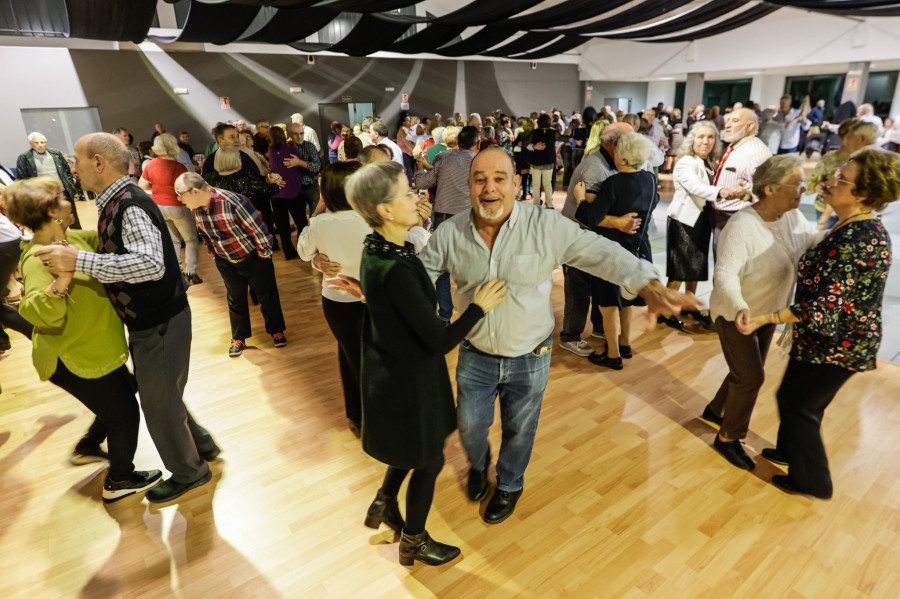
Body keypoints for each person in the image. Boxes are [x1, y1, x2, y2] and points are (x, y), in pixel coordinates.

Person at [339, 147, 697, 524]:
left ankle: (509, 484)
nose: (489, 188)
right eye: (480, 179)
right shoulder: (449, 233)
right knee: (470, 427)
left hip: (531, 355)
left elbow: (600, 252)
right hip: (475, 355)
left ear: (515, 184)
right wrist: (372, 289)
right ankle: (478, 467)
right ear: (468, 185)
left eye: (499, 179)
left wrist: (649, 285)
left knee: (520, 430)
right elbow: (416, 280)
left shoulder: (545, 226)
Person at [34, 133, 219, 504]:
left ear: (99, 163)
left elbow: (149, 265)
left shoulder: (128, 203)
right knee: (161, 392)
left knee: (158, 402)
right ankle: (203, 446)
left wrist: (78, 261)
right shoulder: (118, 200)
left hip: (160, 320)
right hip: (154, 319)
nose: (73, 167)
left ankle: (190, 472)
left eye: (78, 159)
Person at [342, 160, 507, 566]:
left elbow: (396, 300)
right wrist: (478, 308)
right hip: (409, 380)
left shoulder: (377, 248)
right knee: (430, 459)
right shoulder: (395, 266)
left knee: (410, 451)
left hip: (393, 371)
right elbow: (438, 340)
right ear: (384, 210)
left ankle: (384, 502)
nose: (418, 197)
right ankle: (413, 541)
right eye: (407, 193)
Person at [739, 149, 899, 498]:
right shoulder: (851, 224)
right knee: (796, 398)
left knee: (800, 405)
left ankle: (812, 481)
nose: (830, 182)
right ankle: (788, 451)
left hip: (841, 341)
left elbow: (821, 308)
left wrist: (765, 318)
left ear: (864, 194)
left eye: (842, 180)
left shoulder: (858, 239)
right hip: (825, 337)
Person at [5, 177, 164, 501]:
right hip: (71, 358)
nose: (69, 201)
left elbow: (118, 252)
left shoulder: (75, 237)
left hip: (94, 348)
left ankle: (89, 445)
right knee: (126, 415)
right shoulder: (39, 258)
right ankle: (120, 479)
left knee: (123, 395)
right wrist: (62, 279)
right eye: (62, 198)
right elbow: (37, 313)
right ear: (50, 213)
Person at [703, 155, 822, 470]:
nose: (803, 188)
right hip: (736, 314)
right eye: (796, 183)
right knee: (751, 377)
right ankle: (728, 437)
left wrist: (841, 232)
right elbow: (725, 274)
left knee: (743, 372)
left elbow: (810, 242)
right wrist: (740, 306)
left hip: (769, 314)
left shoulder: (792, 217)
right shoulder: (742, 226)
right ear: (769, 189)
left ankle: (715, 411)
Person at [574, 132, 663, 369]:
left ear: (622, 159)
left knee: (608, 302)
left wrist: (581, 198)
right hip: (639, 245)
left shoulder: (612, 184)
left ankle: (612, 354)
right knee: (628, 298)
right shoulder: (650, 180)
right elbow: (654, 203)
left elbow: (590, 218)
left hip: (611, 250)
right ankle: (625, 343)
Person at [175, 171, 286, 356]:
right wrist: (215, 255)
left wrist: (262, 255)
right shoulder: (196, 209)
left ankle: (276, 331)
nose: (179, 200)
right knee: (235, 299)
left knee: (267, 296)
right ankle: (239, 338)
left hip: (253, 258)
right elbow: (206, 235)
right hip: (226, 261)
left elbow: (259, 230)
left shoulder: (233, 202)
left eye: (180, 194)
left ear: (194, 191)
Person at [297, 162, 367, 435]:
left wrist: (318, 208)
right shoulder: (376, 218)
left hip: (336, 300)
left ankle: (357, 417)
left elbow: (304, 251)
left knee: (349, 354)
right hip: (371, 297)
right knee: (367, 358)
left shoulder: (320, 223)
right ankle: (373, 417)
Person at [558, 122, 633, 356]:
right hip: (577, 236)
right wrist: (619, 223)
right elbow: (589, 215)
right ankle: (570, 336)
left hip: (593, 238)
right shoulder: (595, 168)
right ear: (614, 144)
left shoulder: (613, 164)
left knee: (600, 282)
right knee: (578, 287)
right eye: (630, 141)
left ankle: (600, 327)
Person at [665, 121, 732, 330]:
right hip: (684, 221)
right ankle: (664, 312)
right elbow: (696, 188)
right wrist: (722, 192)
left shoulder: (708, 162)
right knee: (679, 271)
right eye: (701, 137)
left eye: (710, 137)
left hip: (701, 220)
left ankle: (689, 305)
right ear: (692, 139)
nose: (706, 141)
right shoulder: (686, 162)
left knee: (695, 267)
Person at [413, 126, 480, 324]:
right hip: (469, 218)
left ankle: (445, 316)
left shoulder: (443, 157)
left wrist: (420, 168)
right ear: (478, 144)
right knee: (469, 266)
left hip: (443, 217)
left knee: (442, 270)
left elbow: (424, 183)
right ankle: (471, 314)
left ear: (458, 142)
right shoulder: (480, 162)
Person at [709, 108, 773, 256]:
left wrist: (744, 195)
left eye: (735, 121)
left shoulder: (757, 153)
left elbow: (768, 195)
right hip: (722, 219)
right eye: (728, 121)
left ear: (750, 126)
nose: (727, 125)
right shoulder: (736, 146)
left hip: (738, 222)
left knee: (731, 272)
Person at [138, 133, 200, 284]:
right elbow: (187, 188)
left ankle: (178, 273)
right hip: (177, 206)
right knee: (191, 239)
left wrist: (158, 187)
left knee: (173, 242)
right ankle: (191, 273)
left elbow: (142, 185)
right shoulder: (179, 167)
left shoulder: (150, 164)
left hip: (159, 206)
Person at [205, 147, 282, 251]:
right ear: (232, 160)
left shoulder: (210, 178)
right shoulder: (245, 177)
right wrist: (274, 183)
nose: (241, 160)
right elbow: (267, 191)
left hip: (224, 229)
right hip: (247, 227)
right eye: (239, 158)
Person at [807, 119, 878, 231]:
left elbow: (840, 189)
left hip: (853, 213)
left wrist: (823, 219)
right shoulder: (832, 158)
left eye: (851, 136)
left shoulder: (865, 160)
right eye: (847, 136)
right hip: (835, 210)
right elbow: (812, 182)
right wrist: (817, 186)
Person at [16, 133, 81, 228]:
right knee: (54, 223)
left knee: (73, 221)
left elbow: (66, 171)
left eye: (42, 142)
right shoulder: (24, 158)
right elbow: (22, 179)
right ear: (31, 144)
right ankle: (60, 241)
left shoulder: (55, 154)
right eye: (36, 143)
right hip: (44, 196)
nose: (40, 145)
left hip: (63, 193)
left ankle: (80, 240)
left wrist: (70, 182)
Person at [286, 123, 323, 221]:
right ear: (290, 134)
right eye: (296, 134)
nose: (299, 136)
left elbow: (317, 167)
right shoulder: (285, 148)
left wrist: (299, 162)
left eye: (301, 133)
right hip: (295, 190)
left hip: (312, 187)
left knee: (316, 219)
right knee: (300, 222)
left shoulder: (310, 146)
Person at [527, 113, 557, 209]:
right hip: (548, 161)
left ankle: (536, 204)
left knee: (536, 184)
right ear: (549, 121)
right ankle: (549, 204)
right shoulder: (553, 132)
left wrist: (533, 146)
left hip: (536, 161)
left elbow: (524, 144)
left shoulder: (534, 132)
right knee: (547, 184)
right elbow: (562, 140)